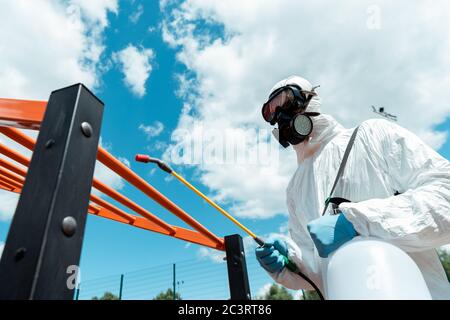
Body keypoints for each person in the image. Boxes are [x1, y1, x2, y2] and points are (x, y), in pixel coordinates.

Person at [255, 75, 450, 299]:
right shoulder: (295, 189)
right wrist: (290, 263)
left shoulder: (371, 135)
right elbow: (319, 274)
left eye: (286, 102)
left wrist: (355, 221)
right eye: (272, 112)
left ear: (310, 101)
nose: (281, 117)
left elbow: (446, 194)